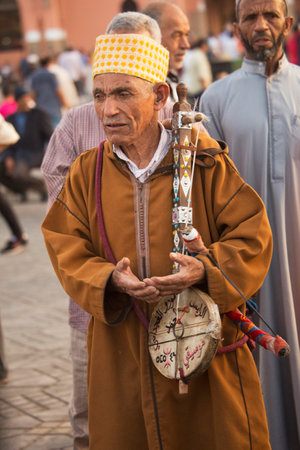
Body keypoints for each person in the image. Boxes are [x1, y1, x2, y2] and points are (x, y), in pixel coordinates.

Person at [42, 27, 274, 449]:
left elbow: (251, 236)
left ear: (160, 97)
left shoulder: (203, 161)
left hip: (199, 345)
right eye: (98, 95)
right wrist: (109, 279)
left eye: (124, 93)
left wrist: (204, 269)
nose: (108, 109)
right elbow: (64, 245)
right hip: (121, 350)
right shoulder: (85, 173)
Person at [200, 1, 300, 449]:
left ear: (289, 24)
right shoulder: (216, 99)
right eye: (250, 17)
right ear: (236, 26)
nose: (261, 26)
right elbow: (208, 193)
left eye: (271, 16)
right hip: (248, 262)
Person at [0, 86, 51, 202]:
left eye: (28, 97)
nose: (27, 100)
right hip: (16, 154)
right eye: (24, 98)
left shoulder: (39, 115)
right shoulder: (10, 119)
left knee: (19, 174)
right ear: (18, 101)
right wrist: (8, 157)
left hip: (34, 154)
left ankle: (41, 186)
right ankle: (21, 190)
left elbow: (50, 136)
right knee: (2, 171)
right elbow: (6, 141)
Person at [142, 1, 190, 102]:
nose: (186, 45)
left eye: (186, 35)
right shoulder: (139, 89)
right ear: (151, 36)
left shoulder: (171, 80)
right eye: (177, 35)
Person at [30, 56, 68, 129]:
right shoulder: (51, 75)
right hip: (54, 107)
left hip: (41, 109)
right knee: (57, 130)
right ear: (48, 63)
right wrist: (64, 103)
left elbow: (33, 94)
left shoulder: (34, 76)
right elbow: (58, 91)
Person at [181, 38, 213, 106]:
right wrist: (209, 93)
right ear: (204, 46)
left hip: (187, 89)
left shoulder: (192, 54)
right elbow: (202, 76)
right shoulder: (200, 55)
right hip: (196, 92)